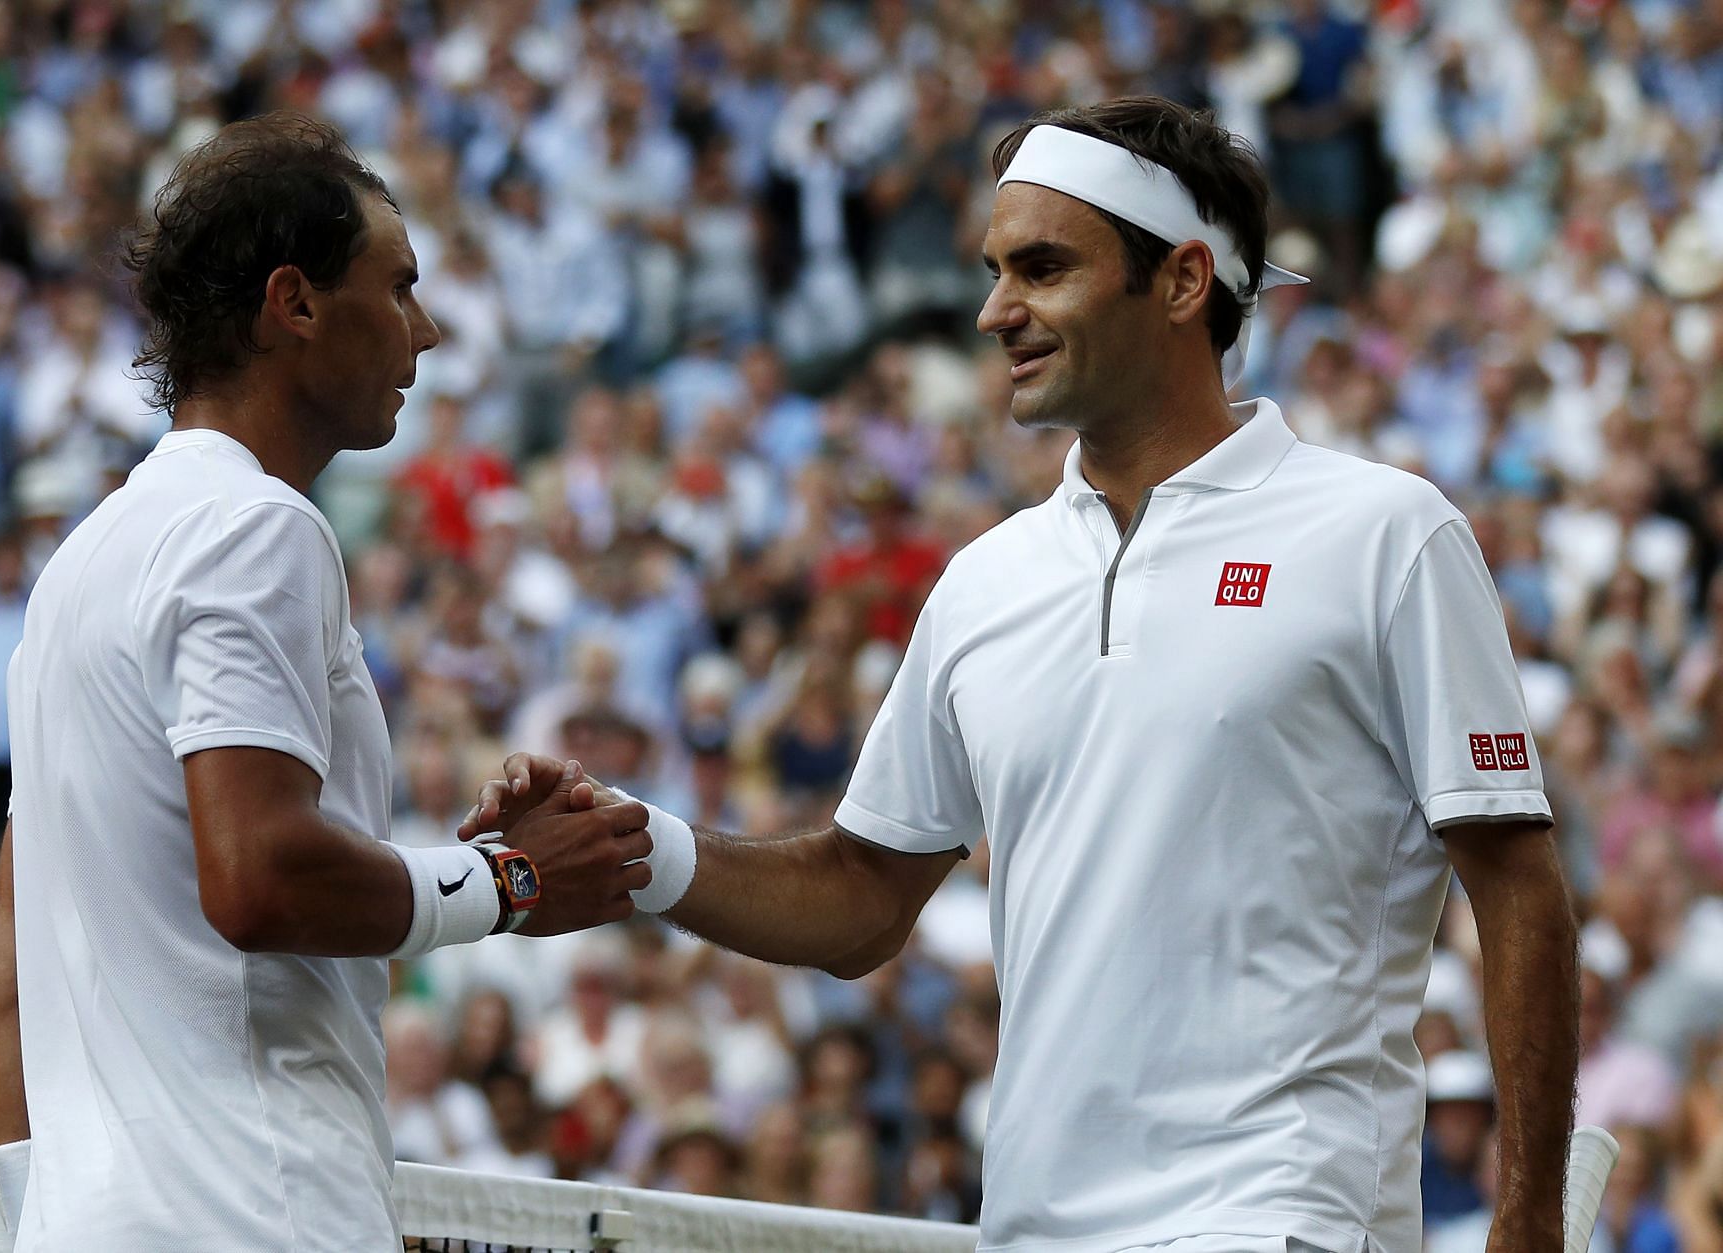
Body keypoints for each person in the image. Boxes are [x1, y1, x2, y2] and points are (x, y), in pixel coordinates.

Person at [468, 98, 1578, 1252]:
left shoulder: (1388, 533)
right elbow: (859, 901)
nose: (997, 310)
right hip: (1034, 1228)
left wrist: (1528, 1220)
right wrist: (636, 847)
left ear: (1185, 281)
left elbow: (1516, 885)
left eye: (1043, 268)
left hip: (1281, 1216)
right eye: (998, 271)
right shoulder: (985, 582)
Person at [0, 114, 655, 1252]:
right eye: (397, 288)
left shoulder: (77, 567)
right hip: (255, 1213)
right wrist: (513, 878)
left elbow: (5, 968)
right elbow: (257, 877)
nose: (427, 331)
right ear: (293, 302)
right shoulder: (256, 526)